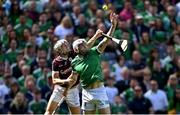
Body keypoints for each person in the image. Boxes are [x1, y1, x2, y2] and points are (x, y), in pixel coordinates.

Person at [45, 28, 104, 114]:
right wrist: (66, 81)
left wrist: (96, 36)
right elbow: (54, 80)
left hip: (73, 90)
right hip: (60, 89)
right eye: (64, 44)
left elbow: (86, 46)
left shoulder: (73, 54)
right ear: (59, 50)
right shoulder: (56, 62)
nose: (67, 44)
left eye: (66, 43)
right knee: (49, 112)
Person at [69, 13, 118, 114]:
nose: (84, 46)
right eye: (81, 45)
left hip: (99, 90)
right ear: (76, 49)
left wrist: (113, 26)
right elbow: (74, 79)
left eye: (84, 43)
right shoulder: (74, 62)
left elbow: (106, 40)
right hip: (86, 93)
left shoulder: (94, 51)